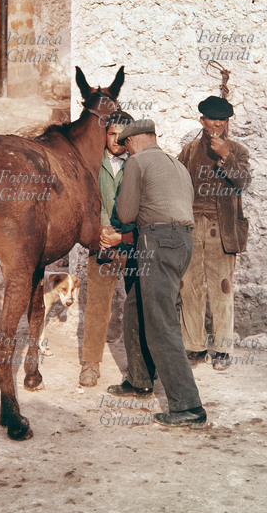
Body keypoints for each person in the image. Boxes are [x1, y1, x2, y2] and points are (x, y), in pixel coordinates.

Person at [107, 119, 207, 429]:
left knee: (161, 322)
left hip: (155, 242)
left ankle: (188, 405)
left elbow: (125, 214)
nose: (126, 149)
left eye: (127, 144)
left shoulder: (137, 161)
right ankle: (139, 381)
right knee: (135, 306)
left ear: (135, 141)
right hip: (182, 242)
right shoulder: (176, 165)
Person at [178, 96, 251, 371]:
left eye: (222, 120)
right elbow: (177, 185)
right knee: (190, 287)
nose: (217, 124)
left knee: (222, 289)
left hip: (222, 231)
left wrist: (226, 157)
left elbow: (243, 182)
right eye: (212, 119)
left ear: (228, 123)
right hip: (192, 228)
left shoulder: (239, 152)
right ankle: (194, 346)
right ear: (202, 121)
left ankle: (222, 349)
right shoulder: (188, 150)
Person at [79, 111, 135, 387]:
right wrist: (100, 230)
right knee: (97, 305)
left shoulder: (138, 164)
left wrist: (124, 235)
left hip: (131, 244)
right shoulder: (92, 163)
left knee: (138, 305)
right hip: (101, 242)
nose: (116, 140)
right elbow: (88, 201)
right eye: (111, 133)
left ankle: (139, 366)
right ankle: (91, 363)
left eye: (122, 134)